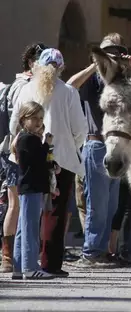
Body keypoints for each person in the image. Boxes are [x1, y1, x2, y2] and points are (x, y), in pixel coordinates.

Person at [9, 48, 87, 277]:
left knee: (27, 214)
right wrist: (69, 145)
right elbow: (80, 130)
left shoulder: (26, 89)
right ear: (61, 67)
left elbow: (15, 123)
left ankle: (20, 265)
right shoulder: (69, 92)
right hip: (59, 159)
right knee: (55, 212)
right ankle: (47, 264)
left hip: (26, 159)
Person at [66, 34, 131, 267]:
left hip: (117, 145)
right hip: (96, 145)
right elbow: (70, 85)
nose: (113, 57)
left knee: (112, 205)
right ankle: (91, 252)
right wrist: (96, 64)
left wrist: (129, 68)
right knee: (98, 204)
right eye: (108, 52)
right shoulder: (93, 78)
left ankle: (102, 251)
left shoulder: (121, 80)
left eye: (117, 52)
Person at [1, 43, 44, 273]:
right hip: (20, 168)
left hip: (17, 161)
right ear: (31, 63)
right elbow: (15, 120)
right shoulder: (23, 87)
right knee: (20, 212)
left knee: (19, 212)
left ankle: (16, 263)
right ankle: (20, 263)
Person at [11, 102, 59, 280]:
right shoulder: (28, 139)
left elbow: (40, 160)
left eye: (41, 118)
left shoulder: (28, 138)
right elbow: (37, 160)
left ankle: (19, 267)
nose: (39, 122)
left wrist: (52, 164)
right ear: (24, 120)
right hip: (31, 187)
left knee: (24, 228)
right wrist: (46, 144)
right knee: (30, 229)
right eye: (34, 118)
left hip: (30, 187)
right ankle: (29, 267)